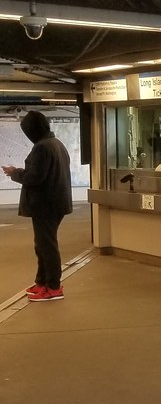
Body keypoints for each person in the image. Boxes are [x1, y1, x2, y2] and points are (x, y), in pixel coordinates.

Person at [2, 111, 73, 301]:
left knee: (47, 246)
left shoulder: (42, 147)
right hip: (55, 203)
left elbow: (35, 177)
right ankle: (42, 282)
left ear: (32, 130)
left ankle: (53, 287)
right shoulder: (56, 144)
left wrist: (15, 172)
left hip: (46, 205)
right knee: (42, 245)